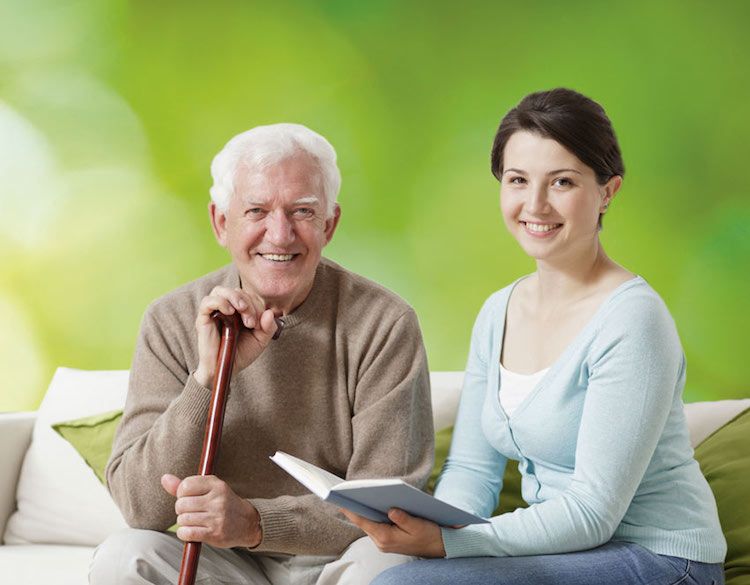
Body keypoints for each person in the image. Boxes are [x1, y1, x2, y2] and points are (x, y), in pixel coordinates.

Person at [343, 89, 727, 585]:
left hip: (661, 559)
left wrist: (450, 544)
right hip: (568, 554)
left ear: (607, 192)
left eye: (562, 181)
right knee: (396, 570)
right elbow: (472, 473)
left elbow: (592, 512)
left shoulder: (634, 321)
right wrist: (427, 530)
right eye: (518, 180)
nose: (535, 204)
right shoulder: (498, 311)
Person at [89, 123, 434, 585]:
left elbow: (388, 508)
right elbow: (140, 505)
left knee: (390, 568)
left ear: (329, 224)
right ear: (221, 222)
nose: (280, 233)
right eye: (256, 210)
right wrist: (207, 380)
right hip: (219, 561)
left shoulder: (384, 322)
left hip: (338, 561)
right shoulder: (170, 321)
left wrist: (254, 522)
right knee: (123, 556)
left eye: (302, 211)